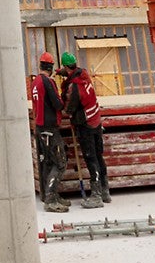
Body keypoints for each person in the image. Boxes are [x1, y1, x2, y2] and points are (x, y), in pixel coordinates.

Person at [60, 52, 110, 207]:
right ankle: (104, 191)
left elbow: (69, 108)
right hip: (96, 119)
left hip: (85, 124)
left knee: (91, 158)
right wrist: (66, 74)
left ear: (65, 66)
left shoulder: (74, 86)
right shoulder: (84, 75)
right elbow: (74, 74)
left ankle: (96, 196)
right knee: (99, 155)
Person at [31, 51, 69, 213]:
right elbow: (58, 104)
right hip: (50, 128)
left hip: (40, 127)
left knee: (47, 162)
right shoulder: (47, 82)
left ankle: (48, 195)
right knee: (60, 163)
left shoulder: (35, 81)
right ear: (51, 67)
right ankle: (51, 199)